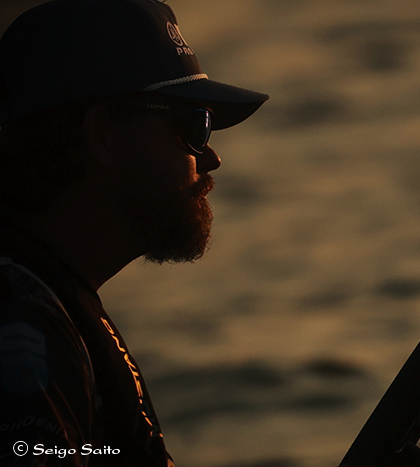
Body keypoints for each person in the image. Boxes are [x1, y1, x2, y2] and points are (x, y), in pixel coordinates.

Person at [0, 0, 268, 465]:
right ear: (103, 135)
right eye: (194, 125)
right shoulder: (19, 320)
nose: (211, 158)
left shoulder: (44, 300)